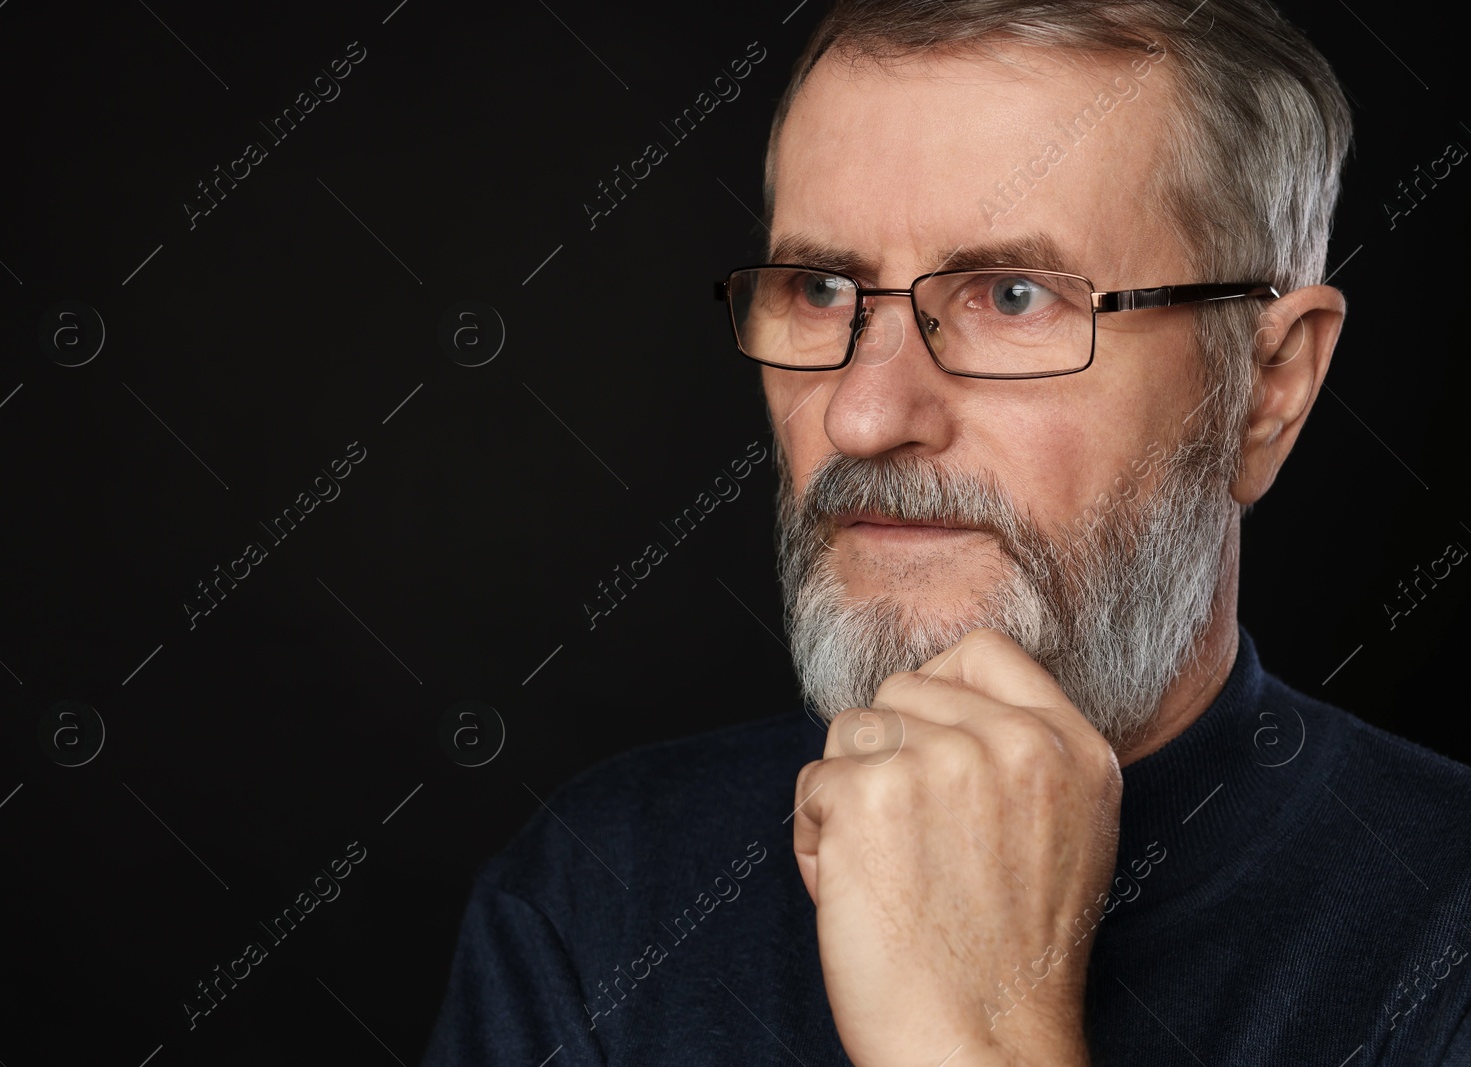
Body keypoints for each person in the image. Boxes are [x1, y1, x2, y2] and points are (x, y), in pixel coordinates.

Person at [421, 1, 1471, 1063]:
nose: (862, 415)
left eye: (1011, 295)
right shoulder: (597, 897)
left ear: (1265, 386)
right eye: (822, 289)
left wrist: (972, 1035)